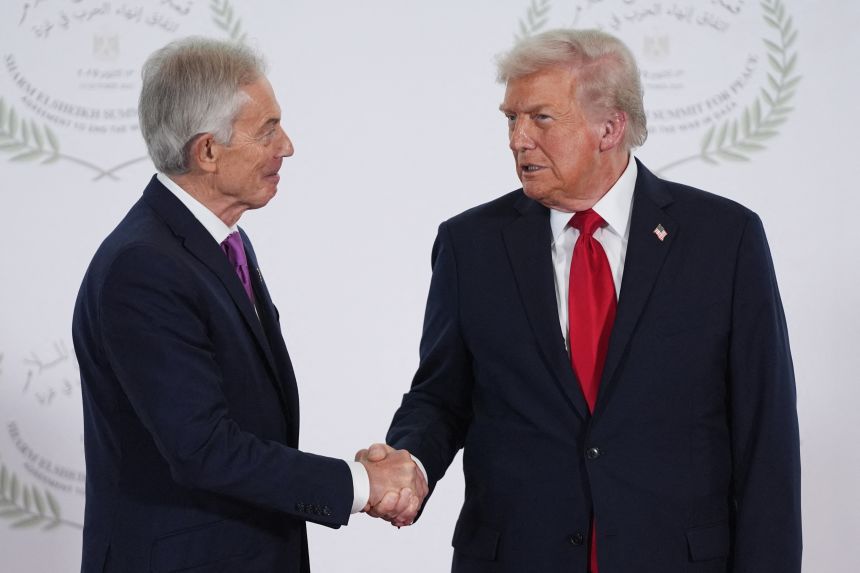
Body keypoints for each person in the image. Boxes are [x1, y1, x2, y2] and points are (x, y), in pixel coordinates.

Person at [359, 28, 801, 572]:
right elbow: (442, 396)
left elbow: (765, 435)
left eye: (540, 118)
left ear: (609, 127)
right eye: (511, 118)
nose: (518, 139)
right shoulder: (470, 244)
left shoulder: (724, 239)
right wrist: (412, 463)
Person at [72, 37, 425, 573]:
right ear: (207, 151)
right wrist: (358, 484)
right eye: (267, 130)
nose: (287, 146)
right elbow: (203, 448)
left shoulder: (217, 242)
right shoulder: (143, 266)